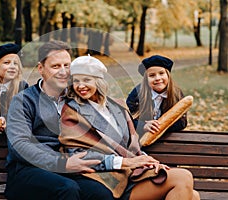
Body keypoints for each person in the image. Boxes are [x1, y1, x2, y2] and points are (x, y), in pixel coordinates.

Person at [59, 55, 200, 200]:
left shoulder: (116, 105)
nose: (80, 86)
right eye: (76, 81)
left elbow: (132, 145)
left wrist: (148, 161)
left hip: (132, 173)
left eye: (87, 80)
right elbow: (77, 155)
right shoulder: (72, 112)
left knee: (193, 195)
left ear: (99, 80)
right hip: (107, 179)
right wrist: (125, 162)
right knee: (183, 177)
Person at [4, 40, 113, 200]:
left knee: (101, 194)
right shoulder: (24, 100)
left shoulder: (77, 99)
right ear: (41, 69)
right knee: (67, 189)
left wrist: (142, 126)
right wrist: (61, 163)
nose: (63, 72)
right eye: (56, 66)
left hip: (68, 169)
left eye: (67, 65)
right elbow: (19, 145)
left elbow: (107, 120)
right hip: (28, 171)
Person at [126, 55, 187, 136]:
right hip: (140, 138)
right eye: (152, 75)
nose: (157, 78)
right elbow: (126, 119)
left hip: (168, 138)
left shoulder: (177, 94)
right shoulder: (137, 93)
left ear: (168, 75)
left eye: (161, 73)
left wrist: (160, 125)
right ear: (146, 79)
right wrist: (142, 126)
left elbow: (182, 122)